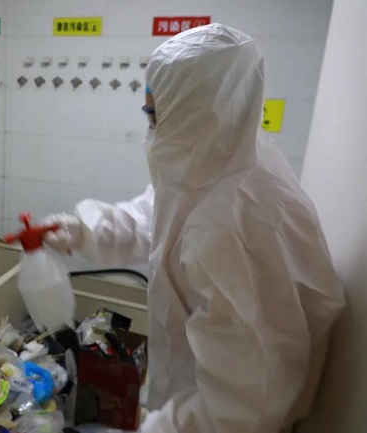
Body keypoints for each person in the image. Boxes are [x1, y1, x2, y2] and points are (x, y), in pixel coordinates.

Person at [44, 23, 345, 432]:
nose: (151, 130)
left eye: (155, 115)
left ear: (200, 112)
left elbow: (246, 404)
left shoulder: (239, 222)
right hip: (186, 395)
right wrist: (83, 230)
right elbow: (152, 221)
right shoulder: (213, 172)